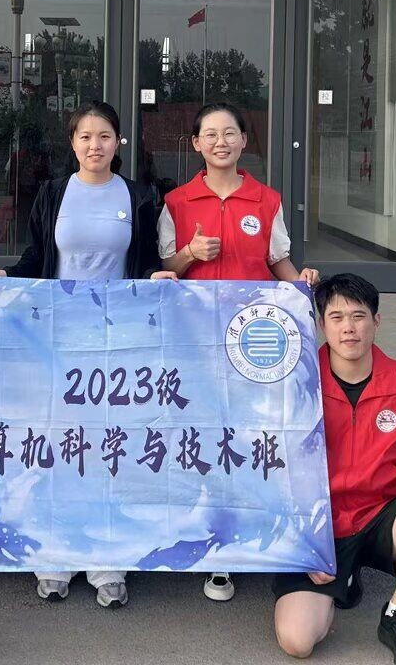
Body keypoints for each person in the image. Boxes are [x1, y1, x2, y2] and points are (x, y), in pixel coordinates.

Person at [0, 100, 176, 608]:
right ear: (72, 143)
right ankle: (55, 555)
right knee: (60, 442)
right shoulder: (53, 193)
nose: (95, 145)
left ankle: (108, 560)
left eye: (105, 136)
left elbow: (145, 260)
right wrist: (7, 276)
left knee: (111, 443)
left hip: (117, 339)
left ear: (118, 142)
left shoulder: (138, 195)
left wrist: (156, 275)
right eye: (86, 136)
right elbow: (37, 256)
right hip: (58, 338)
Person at [160, 101, 319, 601]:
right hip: (196, 341)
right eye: (210, 134)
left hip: (253, 343)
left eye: (230, 133)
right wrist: (190, 254)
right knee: (206, 435)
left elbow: (279, 263)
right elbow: (165, 267)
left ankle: (257, 536)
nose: (220, 142)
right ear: (196, 144)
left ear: (244, 141)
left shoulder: (266, 200)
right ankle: (217, 550)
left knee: (251, 434)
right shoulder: (177, 202)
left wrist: (302, 281)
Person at [272, 274, 396, 665]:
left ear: (376, 321)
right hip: (318, 521)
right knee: (297, 641)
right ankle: (343, 579)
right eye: (337, 317)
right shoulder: (298, 378)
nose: (349, 328)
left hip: (380, 514)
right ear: (321, 324)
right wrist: (304, 544)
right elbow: (274, 471)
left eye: (358, 316)